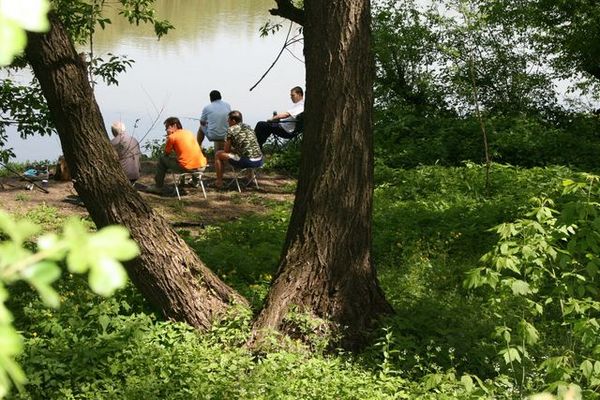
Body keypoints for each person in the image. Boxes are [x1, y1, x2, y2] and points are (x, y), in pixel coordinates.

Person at [150, 117, 207, 192]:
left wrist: (169, 136)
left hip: (187, 167)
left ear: (174, 126)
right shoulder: (189, 132)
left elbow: (166, 153)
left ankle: (158, 187)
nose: (166, 130)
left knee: (162, 160)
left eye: (167, 127)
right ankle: (195, 182)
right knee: (184, 159)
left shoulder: (172, 137)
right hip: (202, 166)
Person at [215, 110, 263, 189]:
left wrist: (228, 147)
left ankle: (219, 182)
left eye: (228, 120)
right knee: (247, 153)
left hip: (247, 162)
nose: (227, 121)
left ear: (233, 121)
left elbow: (226, 150)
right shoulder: (248, 127)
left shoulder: (231, 130)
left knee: (218, 154)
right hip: (259, 160)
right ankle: (250, 178)